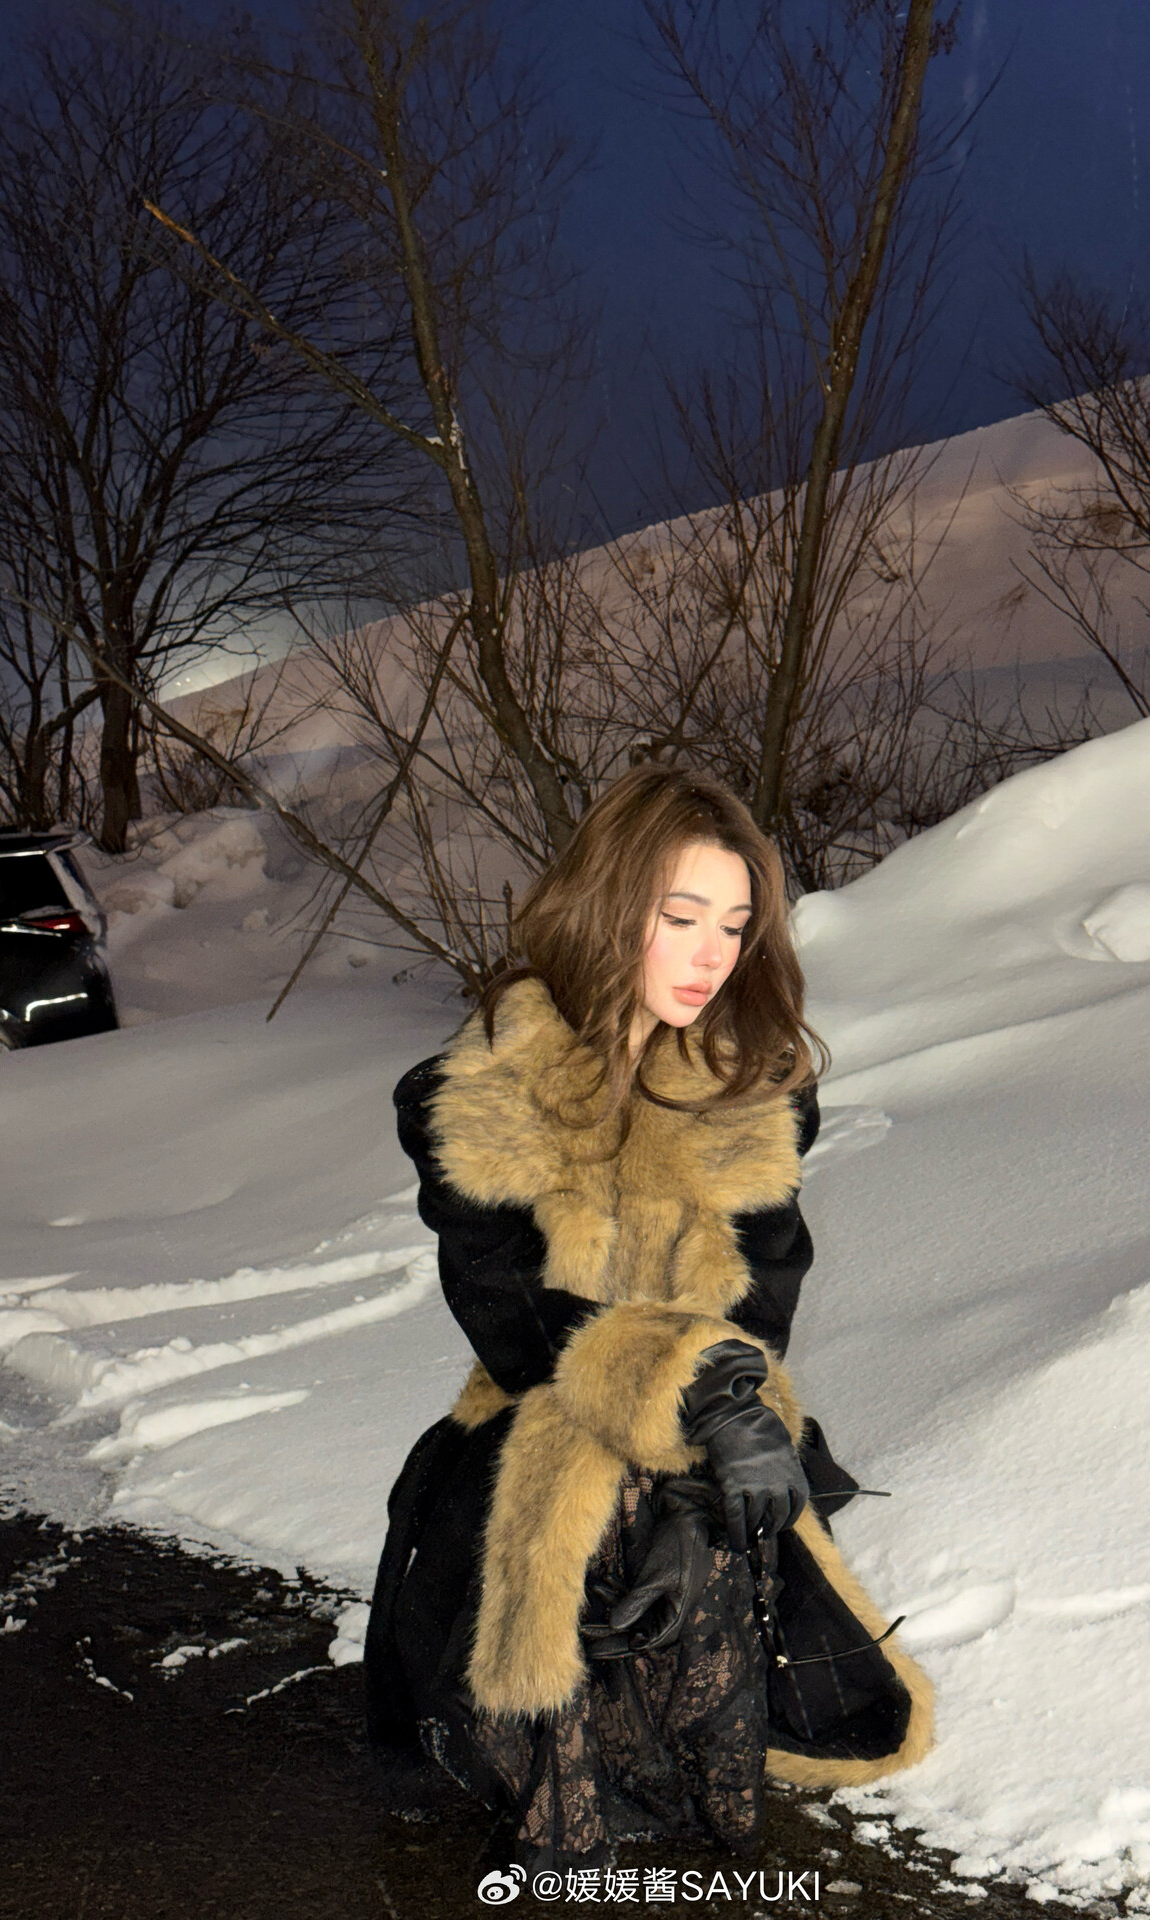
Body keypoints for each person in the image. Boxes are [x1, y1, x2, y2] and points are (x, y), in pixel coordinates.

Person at [363, 764, 932, 1872]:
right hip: (532, 1423)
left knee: (699, 1531)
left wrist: (707, 1444)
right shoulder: (478, 1093)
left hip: (719, 1426)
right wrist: (703, 1403)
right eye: (681, 917)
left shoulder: (749, 1086)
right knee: (598, 1502)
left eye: (735, 924)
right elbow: (517, 1324)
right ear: (608, 907)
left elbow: (761, 1303)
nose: (713, 953)